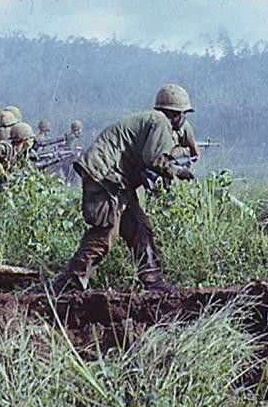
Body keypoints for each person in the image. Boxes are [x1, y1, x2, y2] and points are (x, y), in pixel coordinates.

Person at [52, 84, 196, 295]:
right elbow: (154, 159)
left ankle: (153, 280)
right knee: (105, 233)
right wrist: (177, 171)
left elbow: (141, 158)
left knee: (139, 227)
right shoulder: (161, 122)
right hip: (105, 176)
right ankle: (67, 284)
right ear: (177, 115)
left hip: (114, 179)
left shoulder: (151, 120)